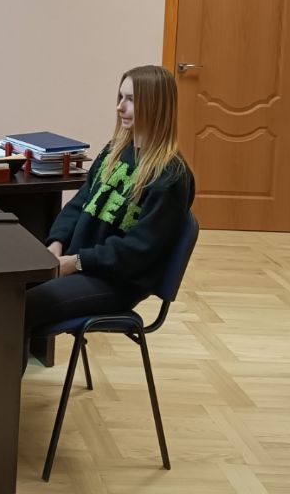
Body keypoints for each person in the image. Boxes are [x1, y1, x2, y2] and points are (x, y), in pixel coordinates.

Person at [24, 65, 196, 341]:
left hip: (117, 282)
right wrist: (56, 242)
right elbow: (79, 204)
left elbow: (139, 250)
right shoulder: (114, 151)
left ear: (155, 106)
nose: (120, 107)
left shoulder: (171, 176)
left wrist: (76, 262)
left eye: (131, 100)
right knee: (5, 288)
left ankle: (3, 369)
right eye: (120, 97)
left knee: (21, 305)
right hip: (80, 265)